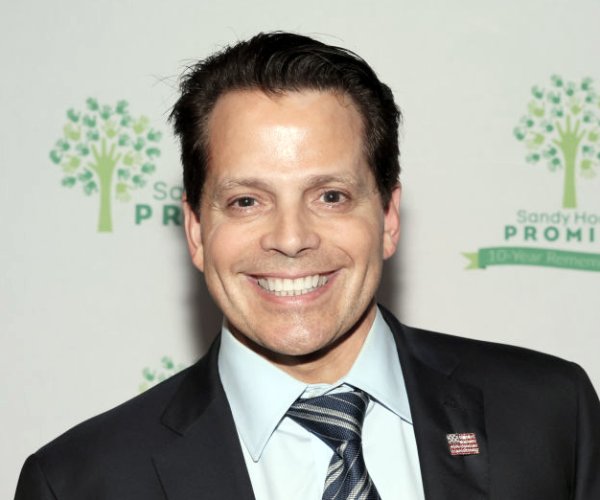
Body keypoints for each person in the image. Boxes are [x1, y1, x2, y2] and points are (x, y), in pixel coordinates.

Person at [15, 32, 599, 500]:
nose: (291, 239)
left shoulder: (551, 414)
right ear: (195, 230)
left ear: (388, 216)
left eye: (330, 196)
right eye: (247, 201)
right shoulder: (80, 482)